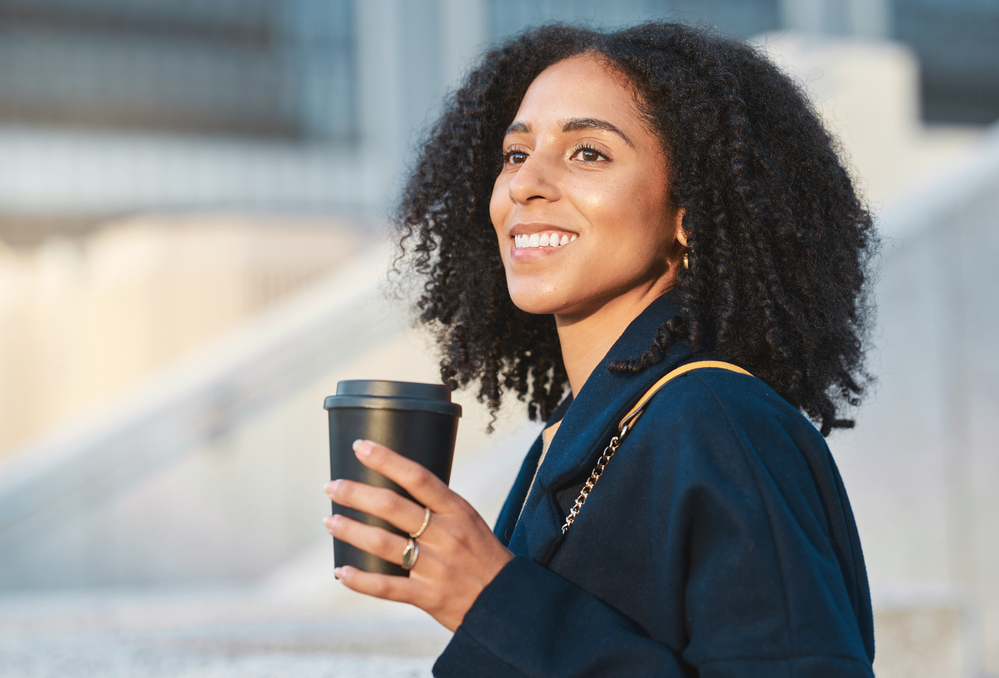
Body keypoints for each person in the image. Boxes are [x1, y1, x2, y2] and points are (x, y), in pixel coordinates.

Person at [323, 21, 878, 677]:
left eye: (588, 153)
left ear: (689, 212)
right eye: (515, 154)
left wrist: (494, 599)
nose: (527, 184)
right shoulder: (578, 434)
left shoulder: (718, 422)